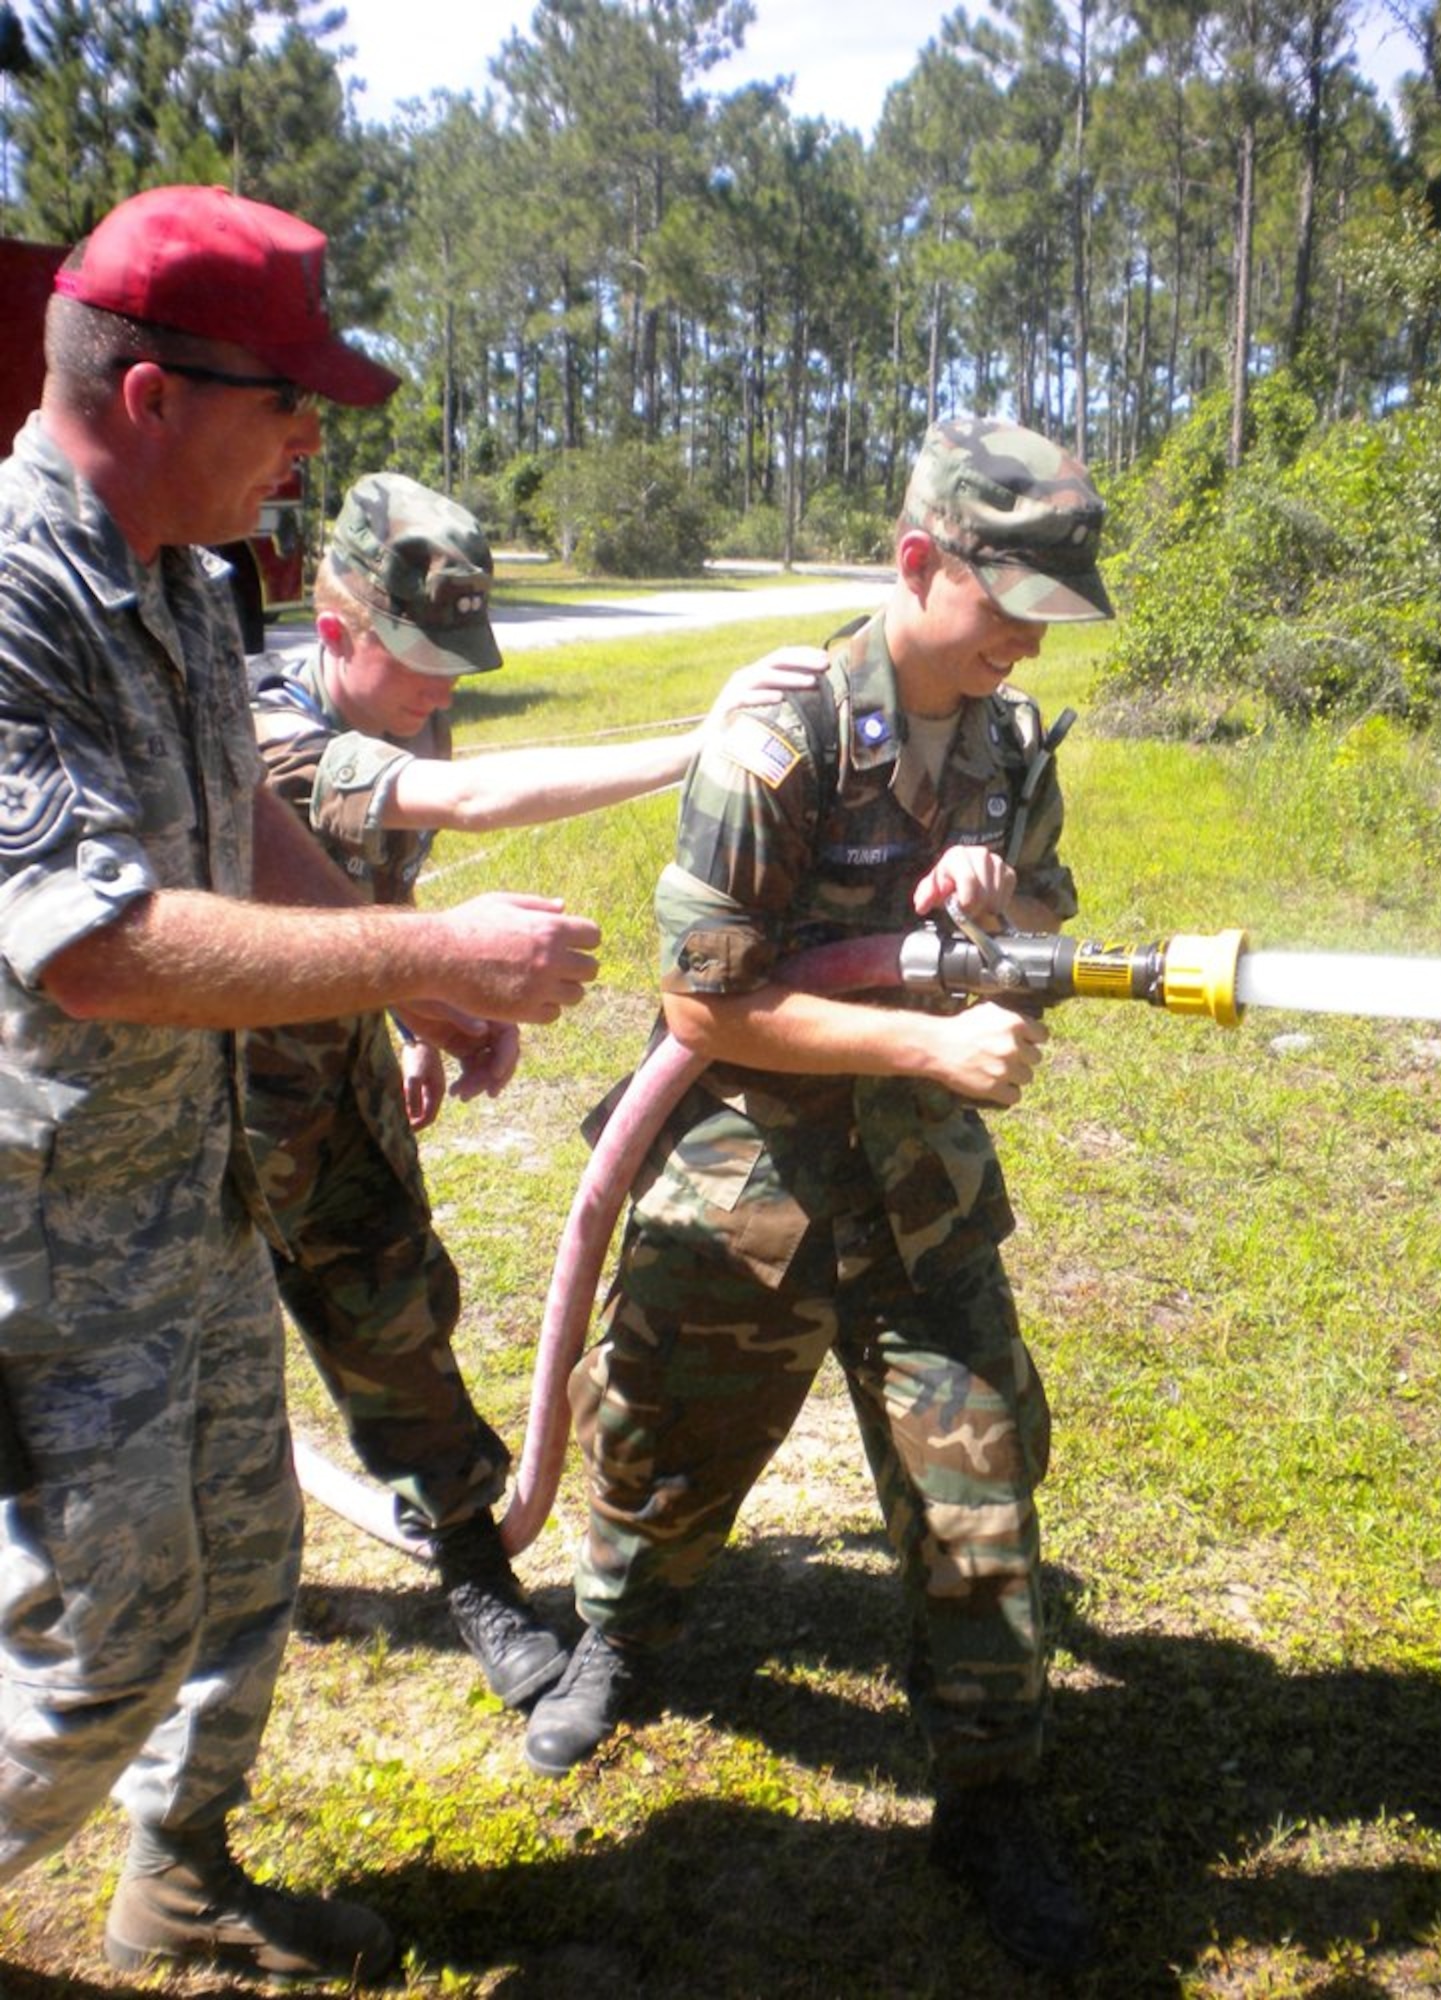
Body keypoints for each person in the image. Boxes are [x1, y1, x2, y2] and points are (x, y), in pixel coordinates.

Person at [0, 184, 599, 1984]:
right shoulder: (14, 597)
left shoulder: (177, 575)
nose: (313, 445)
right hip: (48, 1231)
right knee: (100, 1643)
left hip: (188, 1192)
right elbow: (91, 946)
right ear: (154, 395)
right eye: (291, 403)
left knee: (244, 1577)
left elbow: (239, 813)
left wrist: (387, 995)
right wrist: (424, 954)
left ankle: (179, 1878)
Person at [523, 417, 1112, 1978]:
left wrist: (1004, 901)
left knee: (974, 1498)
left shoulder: (1009, 740)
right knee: (659, 1448)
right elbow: (708, 1006)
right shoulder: (771, 747)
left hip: (919, 1189)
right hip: (747, 1178)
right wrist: (928, 1033)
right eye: (1009, 604)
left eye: (1052, 613)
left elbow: (1050, 913)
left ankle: (990, 1802)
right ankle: (618, 1648)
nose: (1025, 640)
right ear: (919, 563)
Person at [245, 469, 828, 1711]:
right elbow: (456, 803)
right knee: (197, 1365)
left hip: (322, 1086)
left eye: (458, 660)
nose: (443, 690)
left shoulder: (409, 711)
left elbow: (364, 889)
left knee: (395, 1313)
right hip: (190, 1106)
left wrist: (416, 1014)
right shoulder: (262, 728)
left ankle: (472, 1572)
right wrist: (697, 744)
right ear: (337, 632)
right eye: (421, 660)